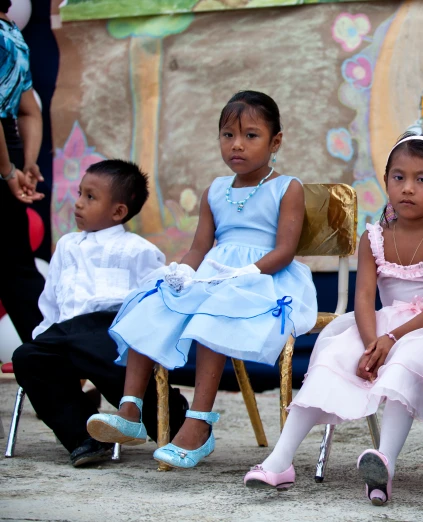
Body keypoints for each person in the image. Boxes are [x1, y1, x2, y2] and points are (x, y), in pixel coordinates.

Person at [242, 130, 423, 506]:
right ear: (386, 182)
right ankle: (279, 461)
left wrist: (391, 340)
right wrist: (369, 341)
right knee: (331, 358)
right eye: (399, 178)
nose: (407, 188)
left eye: (421, 179)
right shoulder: (374, 236)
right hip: (378, 328)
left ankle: (385, 462)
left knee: (404, 362)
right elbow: (363, 299)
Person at [86, 91, 318, 469]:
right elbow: (199, 247)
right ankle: (131, 410)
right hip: (214, 273)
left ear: (276, 141)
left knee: (213, 314)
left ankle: (198, 423)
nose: (237, 145)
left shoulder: (286, 187)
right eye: (228, 135)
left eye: (251, 136)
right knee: (154, 302)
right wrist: (183, 272)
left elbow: (285, 250)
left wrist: (247, 272)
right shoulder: (216, 189)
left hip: (264, 276)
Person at [12, 159, 189, 467]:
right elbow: (51, 299)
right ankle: (84, 437)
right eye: (79, 194)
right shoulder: (66, 245)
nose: (78, 204)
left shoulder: (137, 249)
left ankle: (171, 415)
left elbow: (153, 300)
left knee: (109, 361)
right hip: (64, 331)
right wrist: (44, 337)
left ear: (118, 211)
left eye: (90, 197)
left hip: (110, 329)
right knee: (28, 358)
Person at [0, 0, 46, 346]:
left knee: (16, 268)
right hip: (11, 142)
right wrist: (26, 162)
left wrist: (8, 171)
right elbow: (29, 109)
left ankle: (57, 365)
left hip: (4, 154)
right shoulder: (12, 33)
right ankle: (60, 363)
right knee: (17, 267)